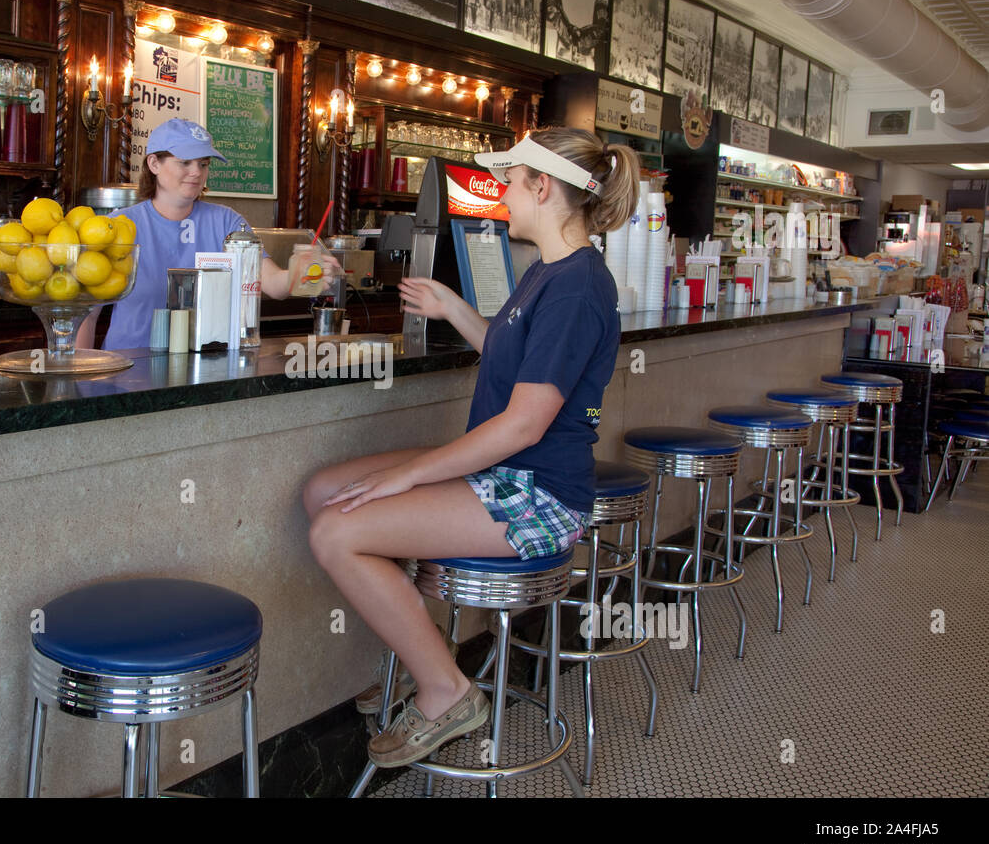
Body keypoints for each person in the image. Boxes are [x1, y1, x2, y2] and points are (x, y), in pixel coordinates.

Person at [303, 127, 640, 769]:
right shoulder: (548, 271)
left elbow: (523, 424)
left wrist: (408, 477)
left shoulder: (575, 288)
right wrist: (453, 308)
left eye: (510, 181)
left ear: (543, 186)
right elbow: (517, 361)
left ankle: (448, 690)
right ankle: (420, 656)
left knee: (334, 533)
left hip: (537, 493)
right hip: (504, 474)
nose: (500, 195)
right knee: (325, 492)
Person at [77, 117, 339, 351]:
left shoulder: (227, 221)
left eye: (203, 164)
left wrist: (296, 274)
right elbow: (86, 313)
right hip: (130, 367)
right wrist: (80, 379)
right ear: (154, 163)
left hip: (204, 368)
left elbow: (271, 283)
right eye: (185, 162)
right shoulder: (119, 225)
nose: (196, 172)